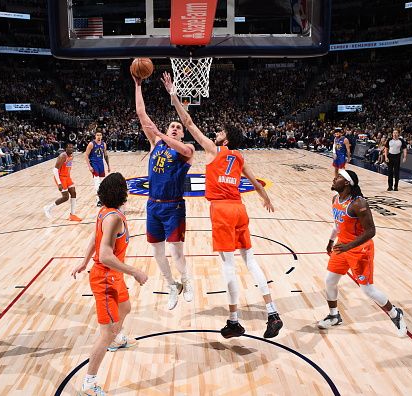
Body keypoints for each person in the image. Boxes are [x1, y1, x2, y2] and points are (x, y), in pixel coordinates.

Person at [160, 72, 283, 339]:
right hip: (240, 210)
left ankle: (234, 320)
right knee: (250, 261)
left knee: (228, 265)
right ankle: (272, 312)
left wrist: (173, 96)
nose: (216, 132)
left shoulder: (215, 151)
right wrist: (266, 198)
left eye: (220, 132)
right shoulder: (239, 157)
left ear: (225, 140)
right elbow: (255, 183)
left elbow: (189, 122)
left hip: (223, 211)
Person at [71, 172, 148, 396]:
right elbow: (104, 254)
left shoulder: (107, 212)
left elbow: (95, 238)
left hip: (113, 275)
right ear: (121, 192)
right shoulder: (112, 217)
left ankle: (118, 338)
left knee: (126, 307)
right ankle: (89, 382)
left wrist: (83, 261)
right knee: (106, 332)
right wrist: (135, 272)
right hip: (105, 277)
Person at [318, 169, 407, 337]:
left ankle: (395, 313)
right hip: (342, 246)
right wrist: (331, 241)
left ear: (346, 183)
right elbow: (337, 224)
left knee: (367, 290)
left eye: (338, 177)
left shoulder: (359, 204)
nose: (334, 178)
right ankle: (334, 315)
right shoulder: (335, 199)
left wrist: (349, 245)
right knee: (330, 281)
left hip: (360, 249)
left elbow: (371, 231)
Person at [133, 75, 195, 310]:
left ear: (181, 134)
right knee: (157, 252)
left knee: (176, 251)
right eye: (173, 126)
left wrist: (162, 134)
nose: (176, 128)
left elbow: (182, 148)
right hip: (153, 205)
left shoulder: (186, 149)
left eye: (178, 128)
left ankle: (187, 281)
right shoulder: (156, 144)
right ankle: (171, 285)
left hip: (174, 206)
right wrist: (138, 85)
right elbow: (141, 114)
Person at [43, 143, 82, 221]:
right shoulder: (63, 156)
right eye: (69, 147)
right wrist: (59, 183)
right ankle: (48, 208)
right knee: (65, 197)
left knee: (73, 193)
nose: (71, 149)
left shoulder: (71, 156)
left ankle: (72, 215)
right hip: (60, 178)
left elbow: (67, 167)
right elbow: (55, 170)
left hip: (67, 177)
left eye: (72, 147)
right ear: (65, 148)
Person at [85, 130, 110, 206]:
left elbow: (105, 155)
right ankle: (98, 200)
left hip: (101, 164)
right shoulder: (91, 144)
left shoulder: (103, 144)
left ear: (102, 136)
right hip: (94, 164)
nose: (99, 136)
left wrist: (108, 165)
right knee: (97, 182)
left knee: (102, 182)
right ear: (95, 136)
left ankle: (102, 198)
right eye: (97, 135)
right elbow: (86, 155)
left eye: (100, 135)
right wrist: (89, 166)